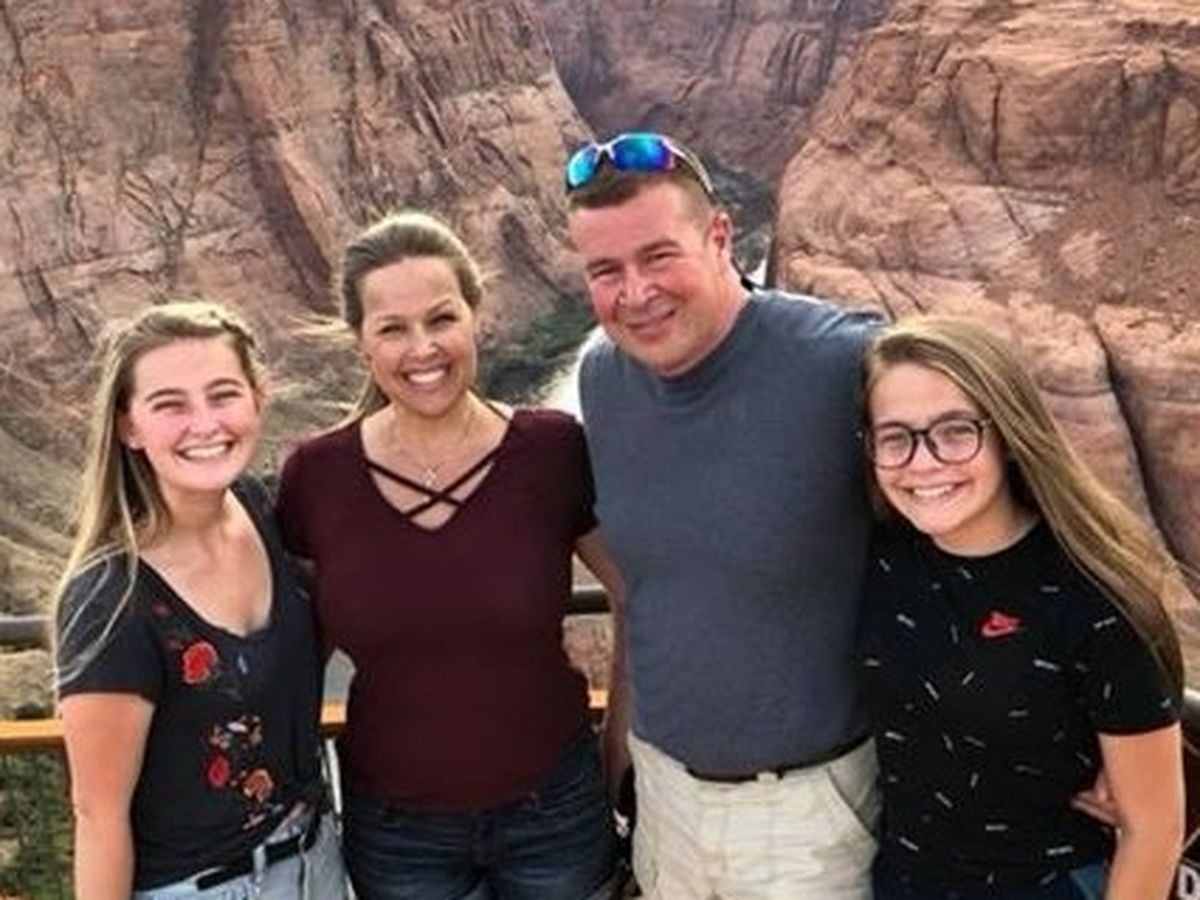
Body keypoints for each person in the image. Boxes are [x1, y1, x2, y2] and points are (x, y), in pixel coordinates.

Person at [565, 131, 881, 898]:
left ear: (719, 236)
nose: (635, 293)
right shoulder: (603, 378)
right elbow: (646, 593)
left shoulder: (844, 361)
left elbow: (1000, 536)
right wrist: (619, 753)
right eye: (606, 271)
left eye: (658, 256)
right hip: (664, 797)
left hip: (811, 812)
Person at [275, 210, 620, 899]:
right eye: (392, 329)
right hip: (396, 831)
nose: (422, 348)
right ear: (361, 341)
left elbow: (634, 593)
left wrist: (620, 741)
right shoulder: (317, 475)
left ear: (474, 315)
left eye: (441, 319)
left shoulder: (552, 450)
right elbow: (293, 646)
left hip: (555, 809)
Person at [859, 315, 1185, 899]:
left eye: (955, 431)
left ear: (1007, 434)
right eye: (896, 437)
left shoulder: (1092, 599)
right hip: (902, 884)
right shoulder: (875, 559)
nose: (924, 461)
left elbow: (1153, 829)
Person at [54, 301, 345, 898]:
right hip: (204, 888)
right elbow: (98, 815)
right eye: (171, 405)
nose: (205, 424)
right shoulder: (112, 600)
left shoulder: (260, 510)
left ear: (257, 397)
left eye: (223, 394)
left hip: (316, 859)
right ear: (128, 426)